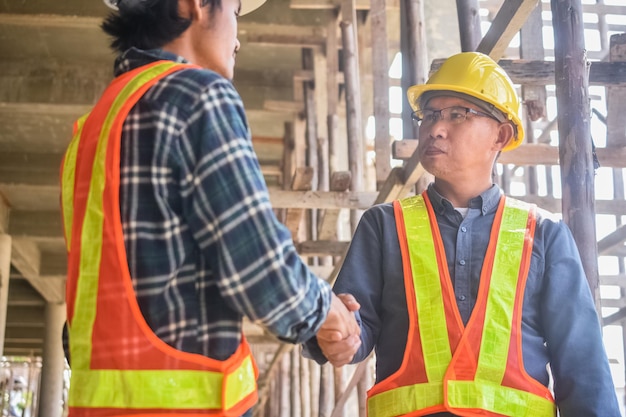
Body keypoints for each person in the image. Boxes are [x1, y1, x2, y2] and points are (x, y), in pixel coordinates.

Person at [59, 0, 360, 415]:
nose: (239, 39)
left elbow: (83, 317)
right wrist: (330, 313)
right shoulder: (196, 95)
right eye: (235, 11)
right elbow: (258, 268)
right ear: (197, 5)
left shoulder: (93, 129)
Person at [303, 51, 621, 416]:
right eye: (430, 115)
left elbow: (583, 368)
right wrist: (337, 335)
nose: (436, 128)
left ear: (500, 135)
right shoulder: (384, 225)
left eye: (458, 115)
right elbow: (353, 327)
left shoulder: (545, 235)